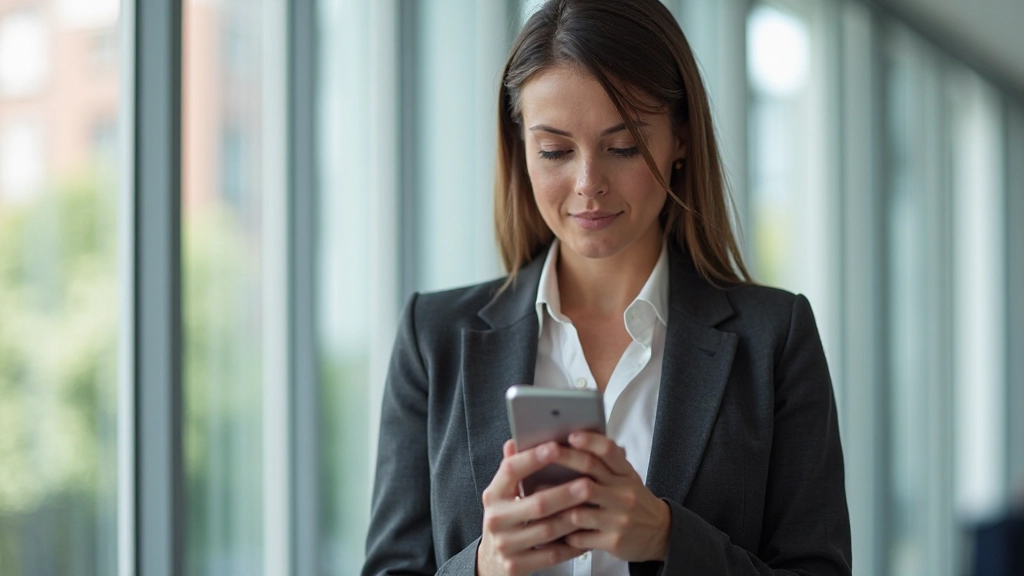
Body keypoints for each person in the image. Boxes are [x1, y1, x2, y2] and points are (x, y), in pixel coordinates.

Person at [363, 0, 852, 574]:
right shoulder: (434, 338)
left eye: (623, 147)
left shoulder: (774, 340)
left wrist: (668, 537)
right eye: (555, 151)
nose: (588, 184)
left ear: (682, 140)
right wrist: (484, 564)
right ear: (520, 150)